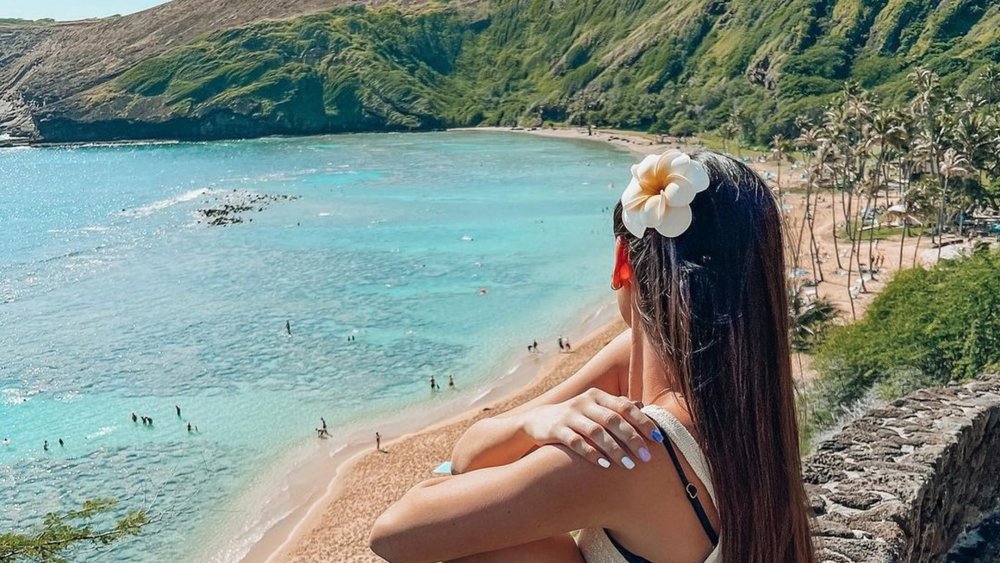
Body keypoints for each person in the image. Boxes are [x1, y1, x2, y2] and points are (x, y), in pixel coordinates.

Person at [370, 150, 816, 562]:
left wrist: (532, 426)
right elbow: (469, 455)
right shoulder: (744, 395)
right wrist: (536, 423)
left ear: (623, 261)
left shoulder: (635, 451)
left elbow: (393, 534)